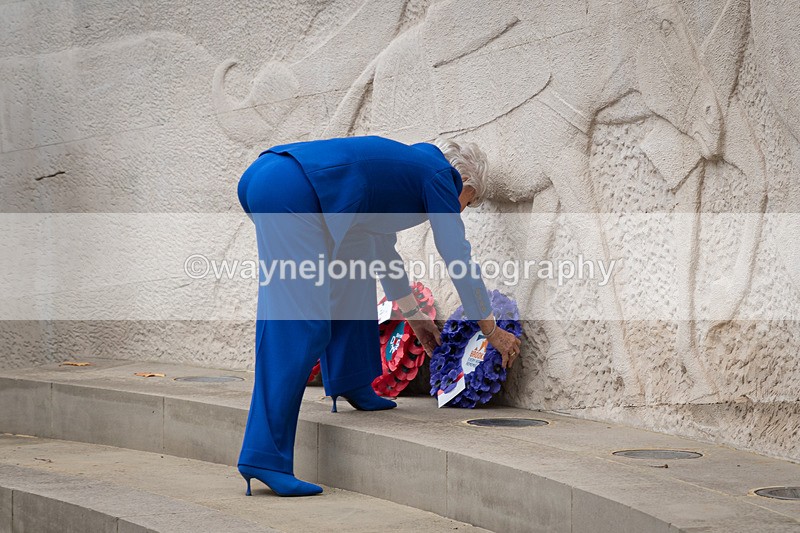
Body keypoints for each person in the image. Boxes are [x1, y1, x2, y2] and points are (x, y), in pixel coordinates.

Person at [236, 135, 522, 497]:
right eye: (469, 201)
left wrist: (415, 317)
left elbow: (382, 252)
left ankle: (351, 380)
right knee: (299, 325)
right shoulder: (440, 176)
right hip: (290, 190)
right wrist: (490, 329)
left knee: (355, 267)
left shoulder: (405, 174)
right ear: (463, 182)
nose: (462, 210)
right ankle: (264, 458)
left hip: (278, 179)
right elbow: (456, 254)